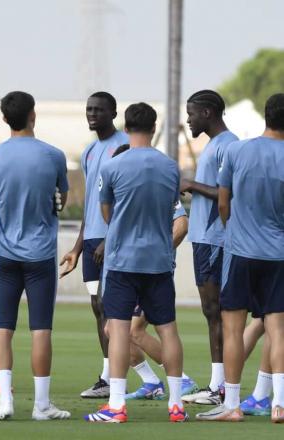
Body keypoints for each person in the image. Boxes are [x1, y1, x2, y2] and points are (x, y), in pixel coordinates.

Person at [84, 103, 187, 423]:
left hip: (122, 260)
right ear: (154, 128)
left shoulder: (113, 167)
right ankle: (176, 405)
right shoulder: (170, 167)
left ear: (125, 127)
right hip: (158, 260)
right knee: (168, 330)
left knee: (117, 328)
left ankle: (116, 405)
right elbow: (173, 210)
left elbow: (105, 213)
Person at [196, 93, 284, 423]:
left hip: (240, 251)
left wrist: (233, 229)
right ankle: (279, 403)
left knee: (232, 329)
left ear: (266, 115)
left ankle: (231, 404)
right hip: (278, 254)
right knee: (278, 330)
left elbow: (222, 202)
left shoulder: (237, 150)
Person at [0, 91, 70, 421]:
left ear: (5, 119)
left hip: (5, 253)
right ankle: (41, 405)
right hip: (40, 254)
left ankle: (5, 401)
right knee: (40, 330)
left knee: (2, 327)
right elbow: (60, 196)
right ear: (33, 115)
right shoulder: (53, 155)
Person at [101, 145, 197, 400]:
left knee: (131, 331)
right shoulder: (129, 189)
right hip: (136, 265)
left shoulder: (158, 185)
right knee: (116, 330)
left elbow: (182, 224)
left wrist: (162, 252)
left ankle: (181, 380)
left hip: (150, 268)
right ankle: (151, 381)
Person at [60, 92, 128, 398]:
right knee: (97, 307)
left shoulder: (124, 146)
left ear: (113, 112)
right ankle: (108, 375)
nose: (92, 114)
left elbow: (125, 199)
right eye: (89, 109)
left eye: (99, 110)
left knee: (111, 308)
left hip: (112, 241)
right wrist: (77, 247)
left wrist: (110, 236)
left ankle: (116, 378)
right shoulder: (89, 151)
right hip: (90, 242)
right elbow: (91, 204)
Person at [179, 90, 238, 405]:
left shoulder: (228, 145)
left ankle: (221, 387)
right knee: (212, 312)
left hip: (215, 240)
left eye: (192, 113)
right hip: (203, 238)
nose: (188, 118)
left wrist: (190, 184)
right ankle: (219, 385)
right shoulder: (215, 145)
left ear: (208, 113)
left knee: (217, 312)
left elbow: (227, 192)